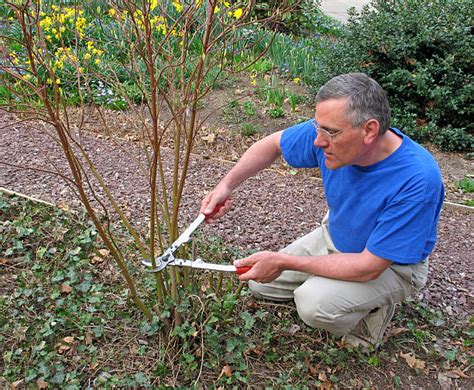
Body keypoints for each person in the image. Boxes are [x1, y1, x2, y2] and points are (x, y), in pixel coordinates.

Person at [200, 73, 445, 350]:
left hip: (391, 265)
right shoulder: (331, 135)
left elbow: (369, 267)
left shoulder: (417, 180)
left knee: (313, 305)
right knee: (259, 283)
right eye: (318, 127)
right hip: (336, 234)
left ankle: (373, 312)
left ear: (369, 130)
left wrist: (284, 261)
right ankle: (334, 284)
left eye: (329, 131)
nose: (318, 141)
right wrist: (225, 186)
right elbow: (272, 145)